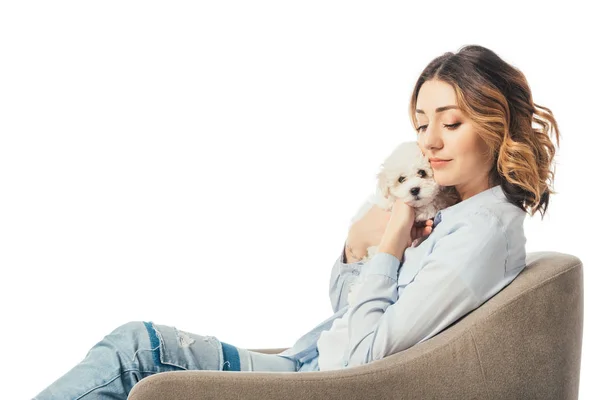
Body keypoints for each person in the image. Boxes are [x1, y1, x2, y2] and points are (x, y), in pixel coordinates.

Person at [33, 44, 560, 399]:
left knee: (134, 350)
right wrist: (359, 250)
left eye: (451, 122)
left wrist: (390, 245)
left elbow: (361, 357)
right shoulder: (445, 210)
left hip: (316, 384)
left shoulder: (480, 234)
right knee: (135, 342)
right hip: (305, 362)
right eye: (422, 124)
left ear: (496, 122)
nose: (431, 140)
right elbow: (345, 311)